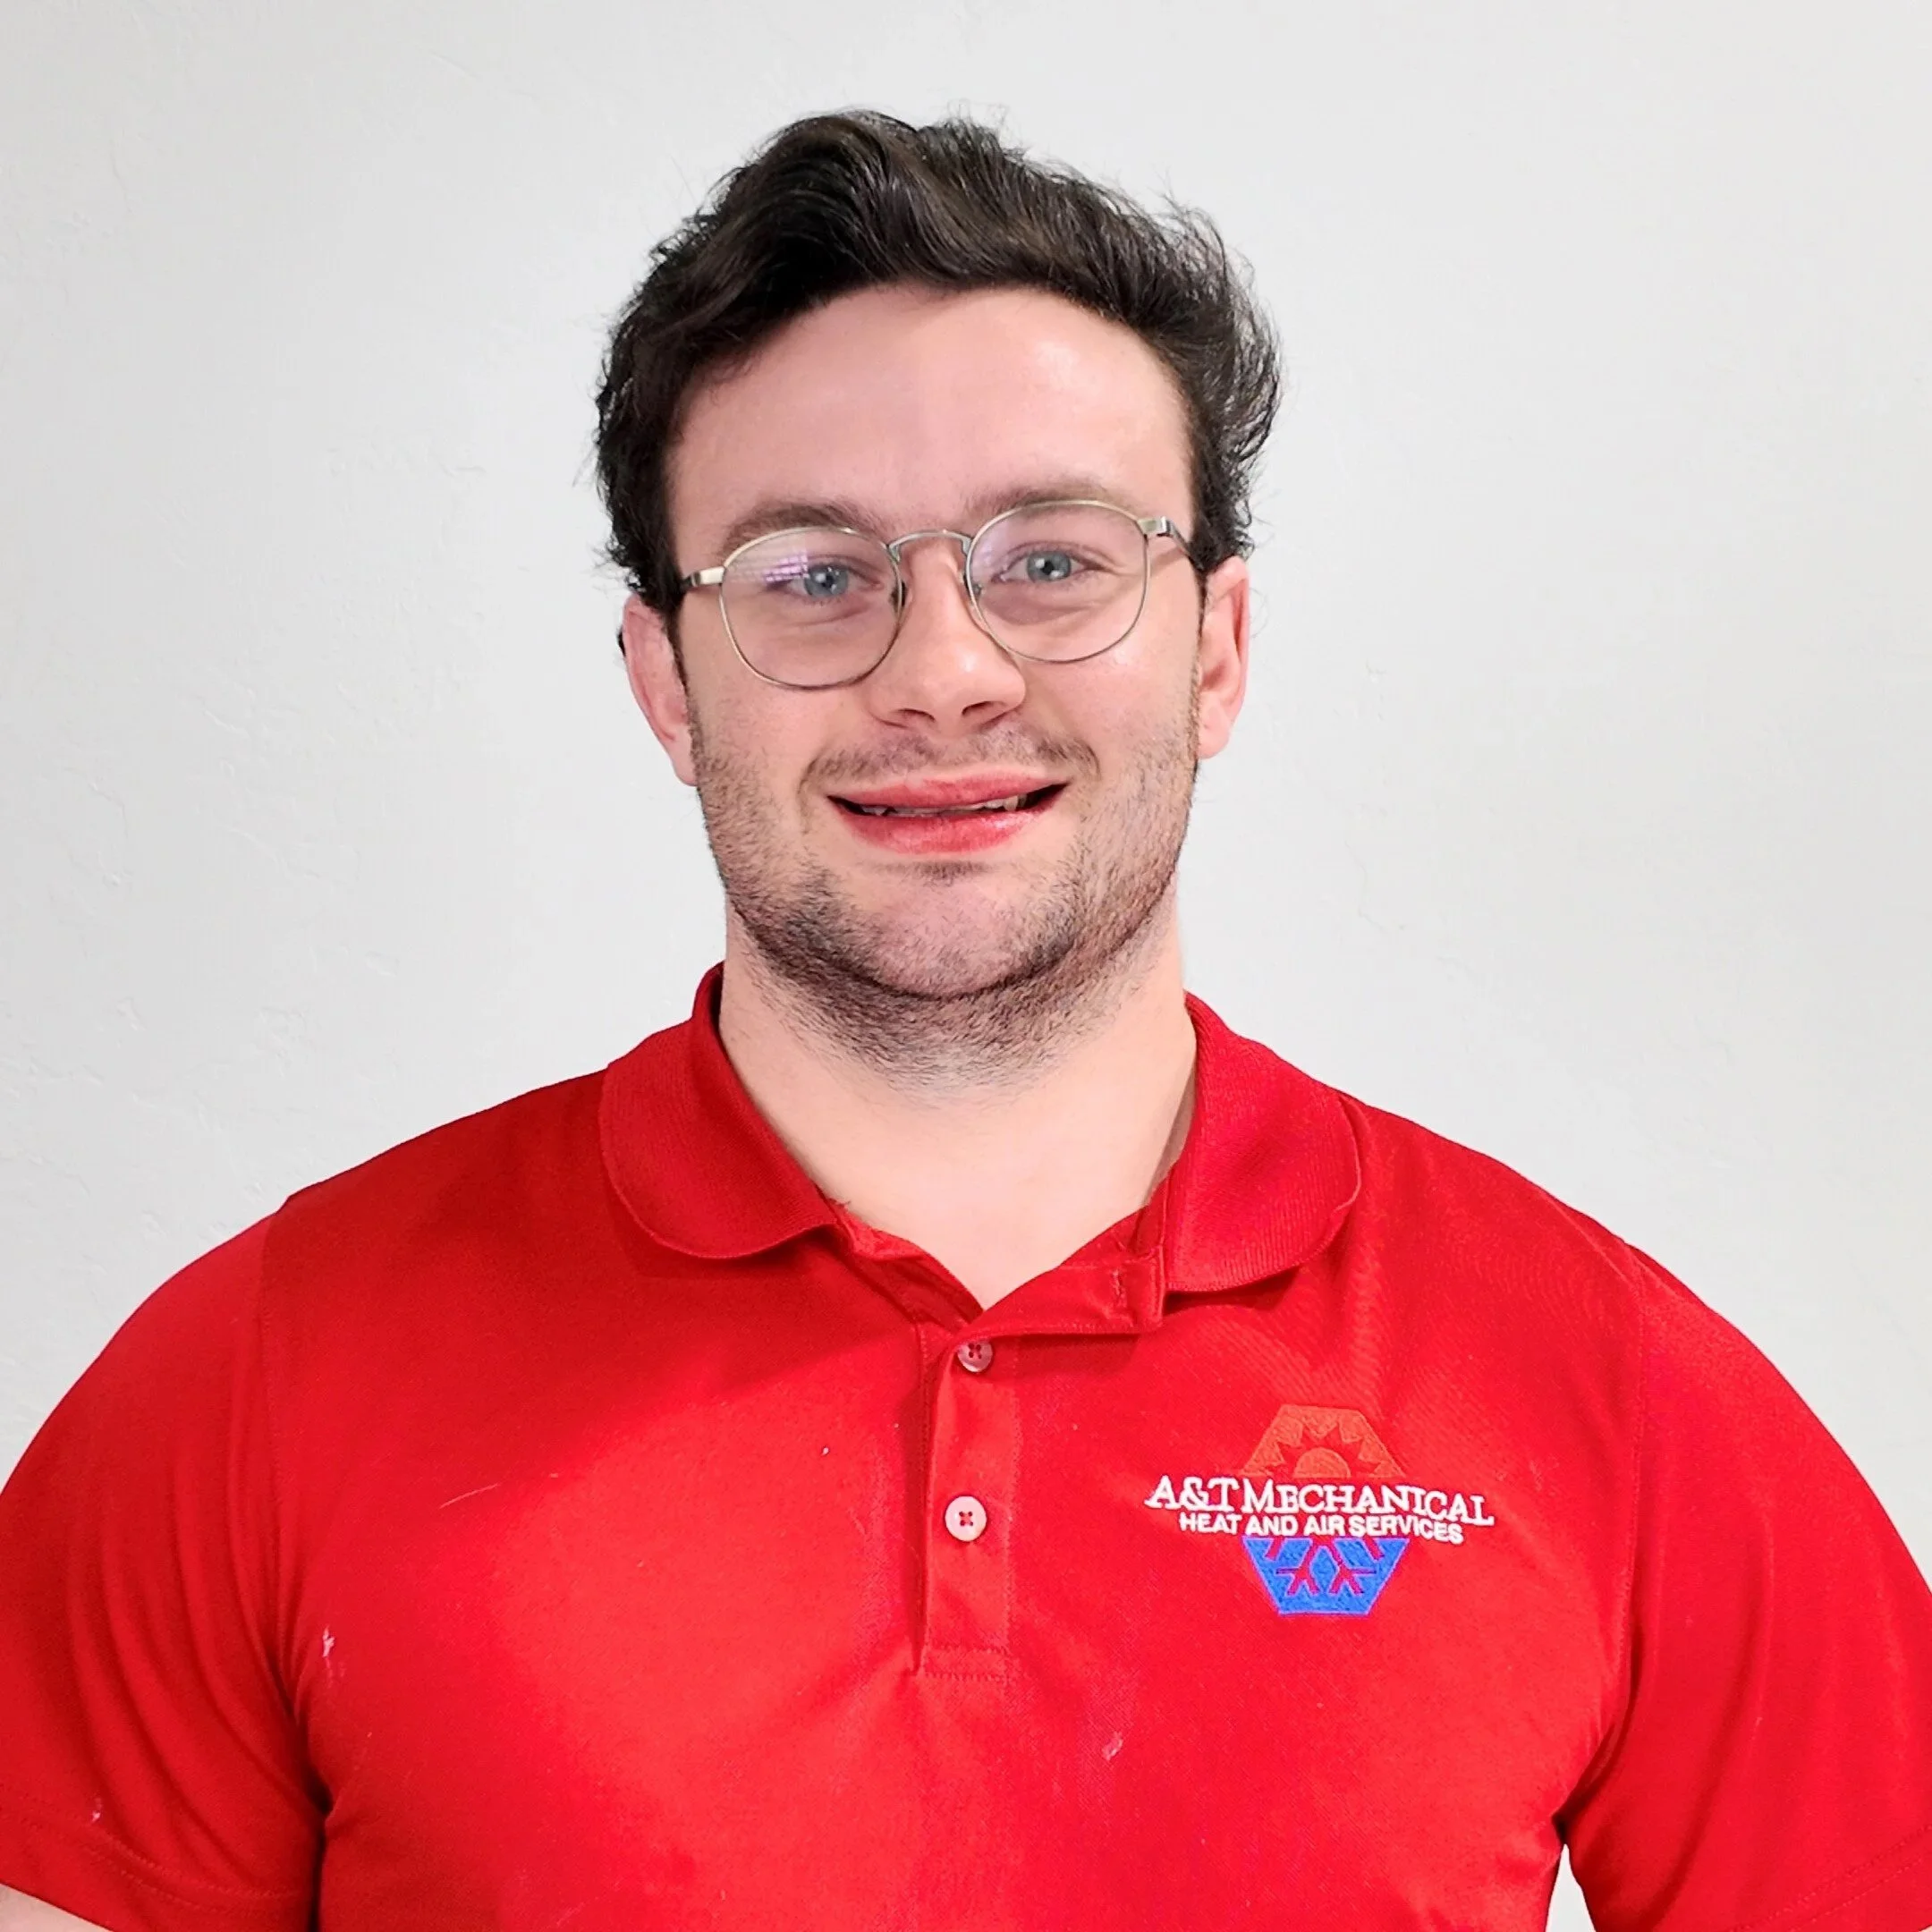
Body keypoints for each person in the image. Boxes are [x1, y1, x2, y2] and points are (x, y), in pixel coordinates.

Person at [2, 108, 1928, 1932]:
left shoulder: (1603, 1387)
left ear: (1221, 651)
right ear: (668, 686)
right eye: (814, 576)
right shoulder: (260, 1381)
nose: (943, 671)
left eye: (1054, 565)